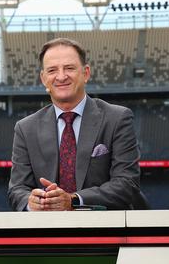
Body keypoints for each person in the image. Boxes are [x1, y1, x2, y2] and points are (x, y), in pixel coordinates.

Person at [8, 38, 141, 211]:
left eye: (69, 68)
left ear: (86, 73)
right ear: (43, 78)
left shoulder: (117, 119)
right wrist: (31, 202)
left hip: (105, 230)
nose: (61, 76)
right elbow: (17, 190)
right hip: (48, 231)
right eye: (52, 70)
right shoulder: (25, 129)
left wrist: (73, 199)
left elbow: (127, 183)